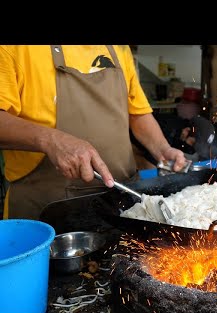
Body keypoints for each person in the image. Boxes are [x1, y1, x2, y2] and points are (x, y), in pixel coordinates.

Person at [0, 45, 186, 220]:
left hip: (123, 202)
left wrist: (162, 149)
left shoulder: (118, 49)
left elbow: (137, 114)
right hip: (48, 210)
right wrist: (52, 140)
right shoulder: (15, 49)